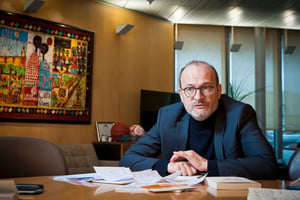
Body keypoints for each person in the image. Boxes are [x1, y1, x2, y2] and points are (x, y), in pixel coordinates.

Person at [119, 60, 278, 179]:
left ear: (218, 90)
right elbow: (128, 160)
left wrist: (206, 165)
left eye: (206, 87)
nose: (198, 97)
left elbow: (267, 165)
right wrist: (168, 166)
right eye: (190, 89)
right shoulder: (168, 117)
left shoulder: (239, 114)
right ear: (181, 94)